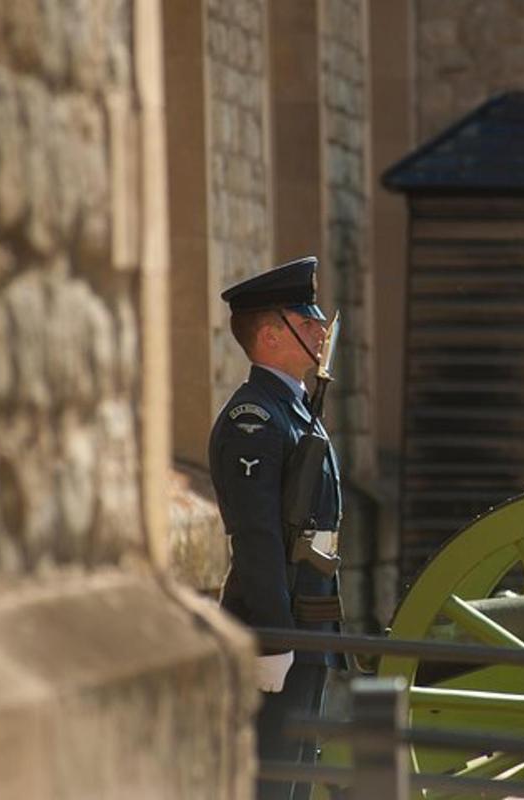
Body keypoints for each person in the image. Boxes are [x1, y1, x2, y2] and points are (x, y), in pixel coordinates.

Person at [209, 256, 344, 800]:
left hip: (307, 629)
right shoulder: (255, 419)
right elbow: (258, 535)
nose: (319, 332)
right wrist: (275, 636)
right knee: (271, 783)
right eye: (305, 321)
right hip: (279, 635)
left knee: (295, 779)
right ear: (269, 335)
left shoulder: (293, 410)